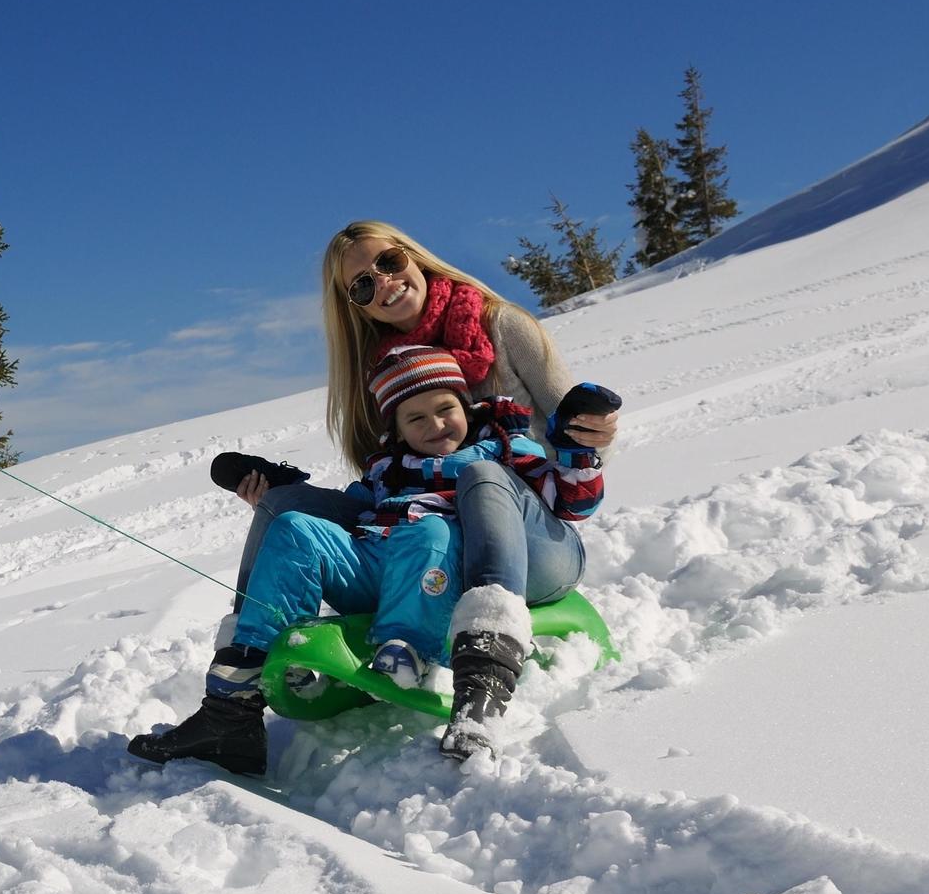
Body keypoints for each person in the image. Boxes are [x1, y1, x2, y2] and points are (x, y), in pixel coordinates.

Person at [131, 343, 607, 772]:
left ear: (466, 406)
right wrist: (288, 492)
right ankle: (232, 706)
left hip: (477, 562)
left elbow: (572, 502)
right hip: (390, 564)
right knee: (295, 526)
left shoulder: (505, 450)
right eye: (415, 419)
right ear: (397, 430)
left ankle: (427, 658)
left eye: (445, 409)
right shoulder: (387, 468)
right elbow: (355, 510)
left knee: (434, 525)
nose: (435, 425)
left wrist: (577, 453)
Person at [219, 220, 618, 668]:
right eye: (363, 286)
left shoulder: (501, 325)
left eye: (389, 262)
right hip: (425, 535)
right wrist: (283, 491)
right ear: (357, 308)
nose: (385, 282)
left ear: (414, 256)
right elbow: (383, 484)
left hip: (526, 536)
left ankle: (486, 640)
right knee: (283, 505)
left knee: (479, 474)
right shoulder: (381, 375)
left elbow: (576, 431)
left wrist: (590, 435)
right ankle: (239, 670)